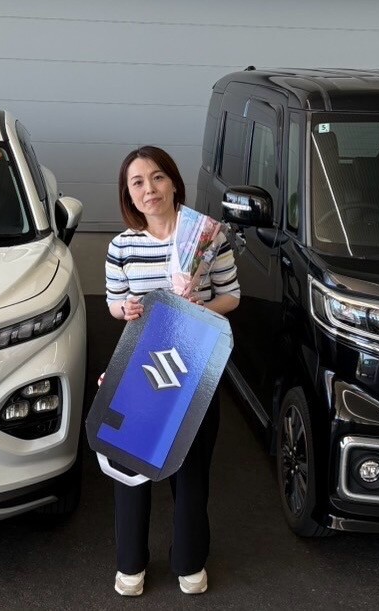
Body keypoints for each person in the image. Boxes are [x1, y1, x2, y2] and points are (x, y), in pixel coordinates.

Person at [104, 146, 239, 596]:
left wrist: (200, 306)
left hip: (195, 363)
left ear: (174, 182)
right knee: (131, 465)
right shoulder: (122, 246)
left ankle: (189, 562)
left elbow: (232, 296)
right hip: (141, 366)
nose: (150, 189)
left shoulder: (206, 235)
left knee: (190, 467)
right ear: (128, 194)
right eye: (138, 182)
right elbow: (114, 303)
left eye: (157, 177)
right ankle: (130, 564)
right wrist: (125, 308)